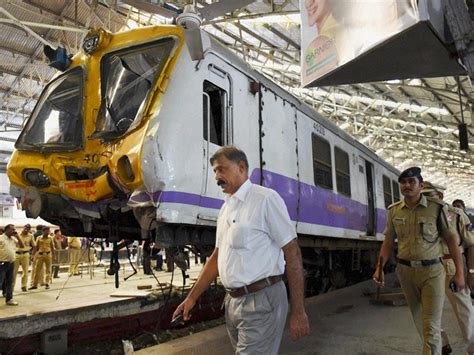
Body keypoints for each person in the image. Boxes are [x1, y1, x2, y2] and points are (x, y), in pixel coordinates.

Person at [172, 146, 310, 354]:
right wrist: (191, 298)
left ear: (242, 168)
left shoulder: (265, 200)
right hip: (233, 304)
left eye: (222, 169)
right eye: (215, 172)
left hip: (262, 301)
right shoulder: (226, 208)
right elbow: (217, 257)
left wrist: (298, 310)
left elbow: (292, 251)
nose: (217, 176)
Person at [373, 167, 465, 354]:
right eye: (403, 183)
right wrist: (379, 268)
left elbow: (452, 241)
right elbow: (388, 242)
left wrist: (460, 274)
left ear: (420, 185)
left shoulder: (437, 208)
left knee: (430, 325)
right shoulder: (394, 211)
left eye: (411, 182)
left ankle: (434, 349)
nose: (407, 185)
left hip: (432, 272)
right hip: (406, 273)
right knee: (419, 320)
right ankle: (440, 346)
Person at [422, 182, 474, 354]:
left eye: (431, 195)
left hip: (451, 265)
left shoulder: (456, 215)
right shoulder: (419, 215)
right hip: (428, 267)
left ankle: (472, 347)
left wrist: (471, 273)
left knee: (463, 309)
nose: (427, 199)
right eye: (424, 196)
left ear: (441, 196)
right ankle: (442, 345)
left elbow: (471, 244)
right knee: (428, 311)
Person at [0, 224, 24, 305]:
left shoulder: (13, 239)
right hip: (2, 263)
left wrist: (17, 237)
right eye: (12, 229)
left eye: (14, 229)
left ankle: (9, 299)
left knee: (10, 282)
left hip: (11, 263)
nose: (14, 231)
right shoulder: (1, 238)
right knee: (0, 282)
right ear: (6, 230)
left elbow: (22, 246)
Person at [13, 224, 35, 292]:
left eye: (28, 228)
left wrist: (33, 255)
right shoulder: (17, 234)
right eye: (25, 228)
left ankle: (24, 286)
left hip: (25, 254)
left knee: (25, 271)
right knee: (14, 272)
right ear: (23, 227)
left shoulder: (30, 236)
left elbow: (34, 246)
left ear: (29, 229)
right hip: (16, 254)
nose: (26, 229)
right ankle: (12, 287)